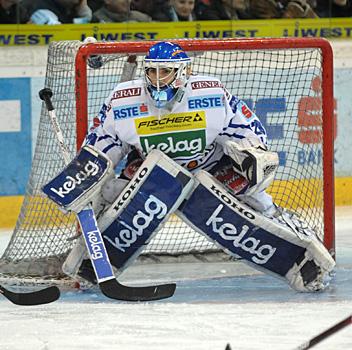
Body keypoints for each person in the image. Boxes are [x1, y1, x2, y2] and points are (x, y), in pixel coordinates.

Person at [57, 41, 334, 293]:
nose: (156, 79)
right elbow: (101, 144)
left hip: (211, 171)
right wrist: (87, 177)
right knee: (106, 191)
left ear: (182, 73)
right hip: (153, 176)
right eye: (151, 72)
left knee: (256, 195)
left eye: (164, 72)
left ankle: (297, 248)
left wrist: (250, 154)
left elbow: (249, 133)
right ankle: (94, 258)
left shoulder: (210, 94)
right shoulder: (124, 100)